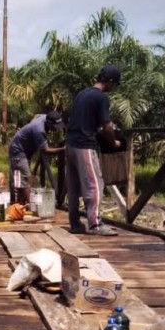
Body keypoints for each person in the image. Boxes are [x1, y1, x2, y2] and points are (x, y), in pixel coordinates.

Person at [64, 65, 122, 236]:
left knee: (73, 187)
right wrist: (113, 142)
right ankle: (95, 224)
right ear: (110, 81)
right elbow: (107, 126)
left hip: (70, 144)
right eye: (115, 84)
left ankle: (75, 224)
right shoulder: (101, 98)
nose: (114, 88)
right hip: (84, 145)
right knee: (95, 185)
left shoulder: (83, 93)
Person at [7, 111, 65, 205]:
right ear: (49, 123)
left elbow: (36, 115)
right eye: (55, 127)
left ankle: (19, 204)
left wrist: (30, 127)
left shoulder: (45, 117)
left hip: (22, 149)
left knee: (20, 180)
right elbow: (45, 150)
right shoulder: (39, 130)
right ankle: (34, 207)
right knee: (26, 179)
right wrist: (63, 149)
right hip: (18, 151)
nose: (56, 129)